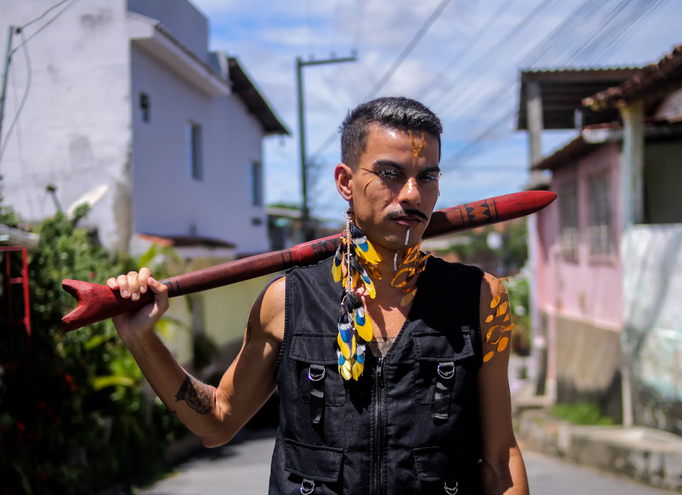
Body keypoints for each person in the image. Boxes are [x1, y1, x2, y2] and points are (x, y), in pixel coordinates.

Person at [108, 97, 529, 495]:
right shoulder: (287, 301)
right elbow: (216, 421)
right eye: (390, 174)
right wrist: (141, 337)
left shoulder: (478, 298)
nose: (412, 194)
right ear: (346, 182)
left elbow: (498, 458)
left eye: (428, 176)